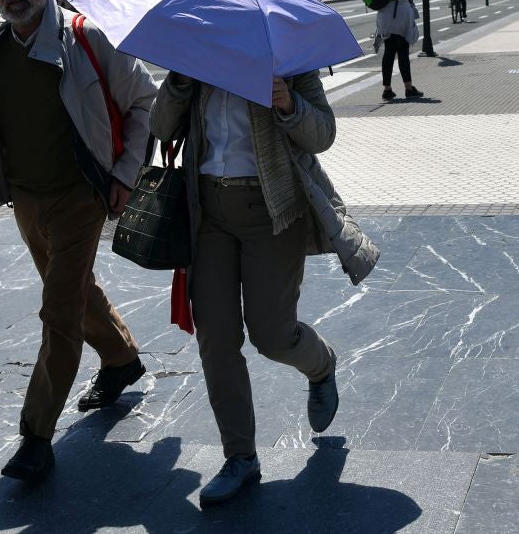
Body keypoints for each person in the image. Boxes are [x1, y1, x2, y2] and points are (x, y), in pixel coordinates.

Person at [0, 0, 157, 482]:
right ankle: (122, 359)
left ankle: (35, 435)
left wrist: (126, 175)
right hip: (25, 197)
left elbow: (144, 101)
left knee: (58, 309)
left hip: (81, 193)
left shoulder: (87, 36)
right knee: (75, 291)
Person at [150, 69, 378, 507]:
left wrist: (289, 103)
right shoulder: (196, 57)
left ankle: (320, 364)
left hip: (273, 210)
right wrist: (178, 82)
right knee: (216, 340)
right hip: (208, 213)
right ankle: (240, 458)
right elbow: (160, 127)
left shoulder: (287, 56)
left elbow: (323, 134)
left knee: (272, 334)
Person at [376, 0, 423, 99]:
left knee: (397, 50)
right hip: (394, 15)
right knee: (395, 50)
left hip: (391, 14)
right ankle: (395, 88)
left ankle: (397, 88)